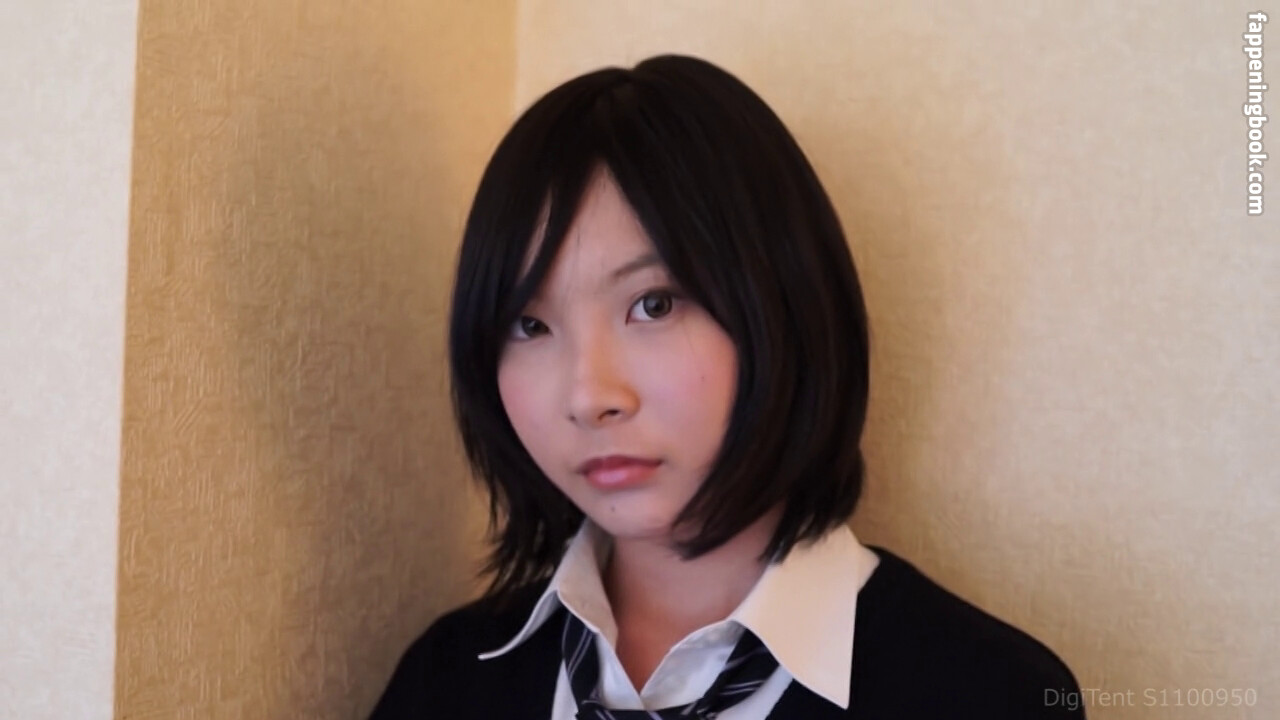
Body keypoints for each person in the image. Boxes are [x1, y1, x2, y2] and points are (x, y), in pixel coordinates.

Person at [368, 54, 1085, 719]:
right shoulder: (446, 683)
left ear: (784, 306)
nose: (588, 397)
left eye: (653, 305)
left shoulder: (991, 695)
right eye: (529, 325)